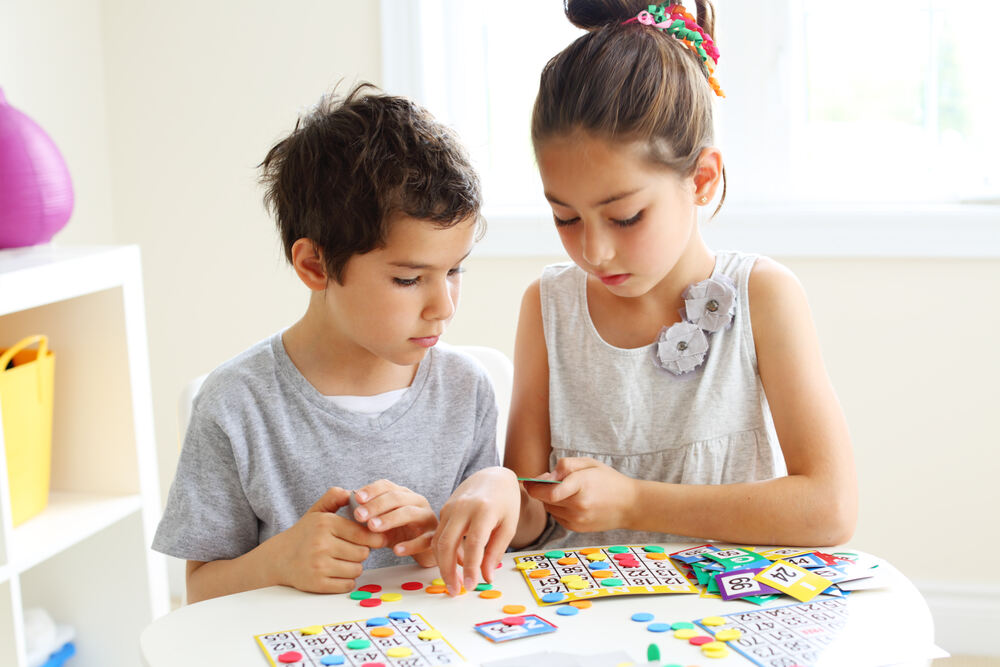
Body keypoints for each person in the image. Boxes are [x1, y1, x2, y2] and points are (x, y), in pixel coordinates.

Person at [432, 0, 857, 595]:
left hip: (726, 619)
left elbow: (829, 507)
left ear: (702, 179)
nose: (595, 251)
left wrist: (635, 502)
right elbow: (532, 517)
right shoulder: (548, 306)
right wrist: (501, 488)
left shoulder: (763, 296)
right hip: (579, 624)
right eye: (565, 217)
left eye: (625, 217)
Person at [153, 83, 501, 603]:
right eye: (409, 279)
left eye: (454, 270)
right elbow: (202, 591)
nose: (444, 306)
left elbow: (483, 560)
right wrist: (280, 561)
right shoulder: (235, 405)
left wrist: (436, 541)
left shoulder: (467, 390)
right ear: (314, 266)